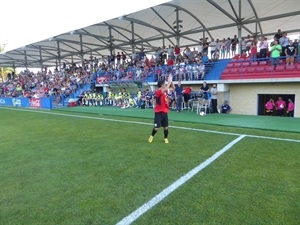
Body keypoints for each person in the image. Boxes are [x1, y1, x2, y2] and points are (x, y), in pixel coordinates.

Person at [148, 75, 174, 144]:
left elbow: (173, 88)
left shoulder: (165, 91)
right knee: (156, 128)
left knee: (166, 127)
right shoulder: (158, 91)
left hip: (165, 112)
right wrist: (169, 82)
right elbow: (166, 89)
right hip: (158, 113)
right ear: (162, 85)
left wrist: (171, 82)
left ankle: (165, 138)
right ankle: (152, 136)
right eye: (164, 84)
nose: (165, 84)